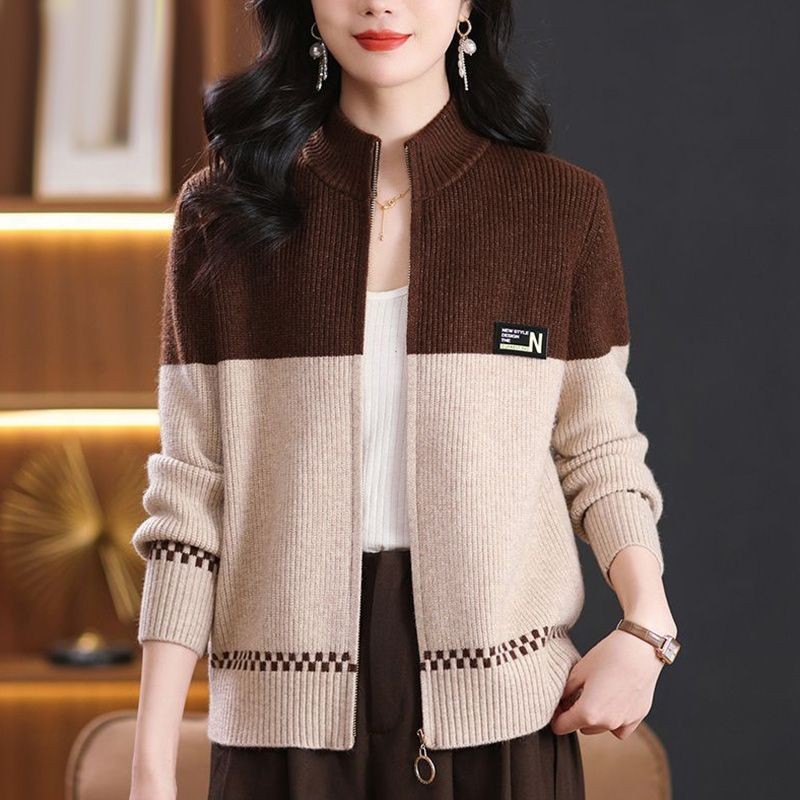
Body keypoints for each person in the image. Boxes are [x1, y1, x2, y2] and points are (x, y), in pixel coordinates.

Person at [129, 1, 681, 798]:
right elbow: (191, 489)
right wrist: (151, 765)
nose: (381, 3)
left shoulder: (560, 210)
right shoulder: (221, 214)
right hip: (282, 725)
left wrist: (647, 624)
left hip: (502, 725)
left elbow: (598, 449)